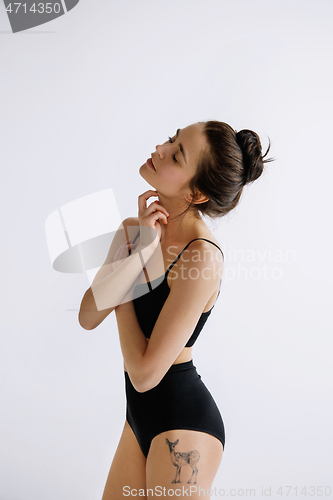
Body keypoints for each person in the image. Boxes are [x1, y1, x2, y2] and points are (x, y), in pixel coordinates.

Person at [78, 120, 272, 499]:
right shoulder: (136, 229)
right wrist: (137, 252)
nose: (161, 148)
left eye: (177, 153)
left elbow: (146, 373)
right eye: (171, 138)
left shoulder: (201, 256)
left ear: (196, 193)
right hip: (138, 421)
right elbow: (87, 316)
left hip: (185, 426)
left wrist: (126, 279)